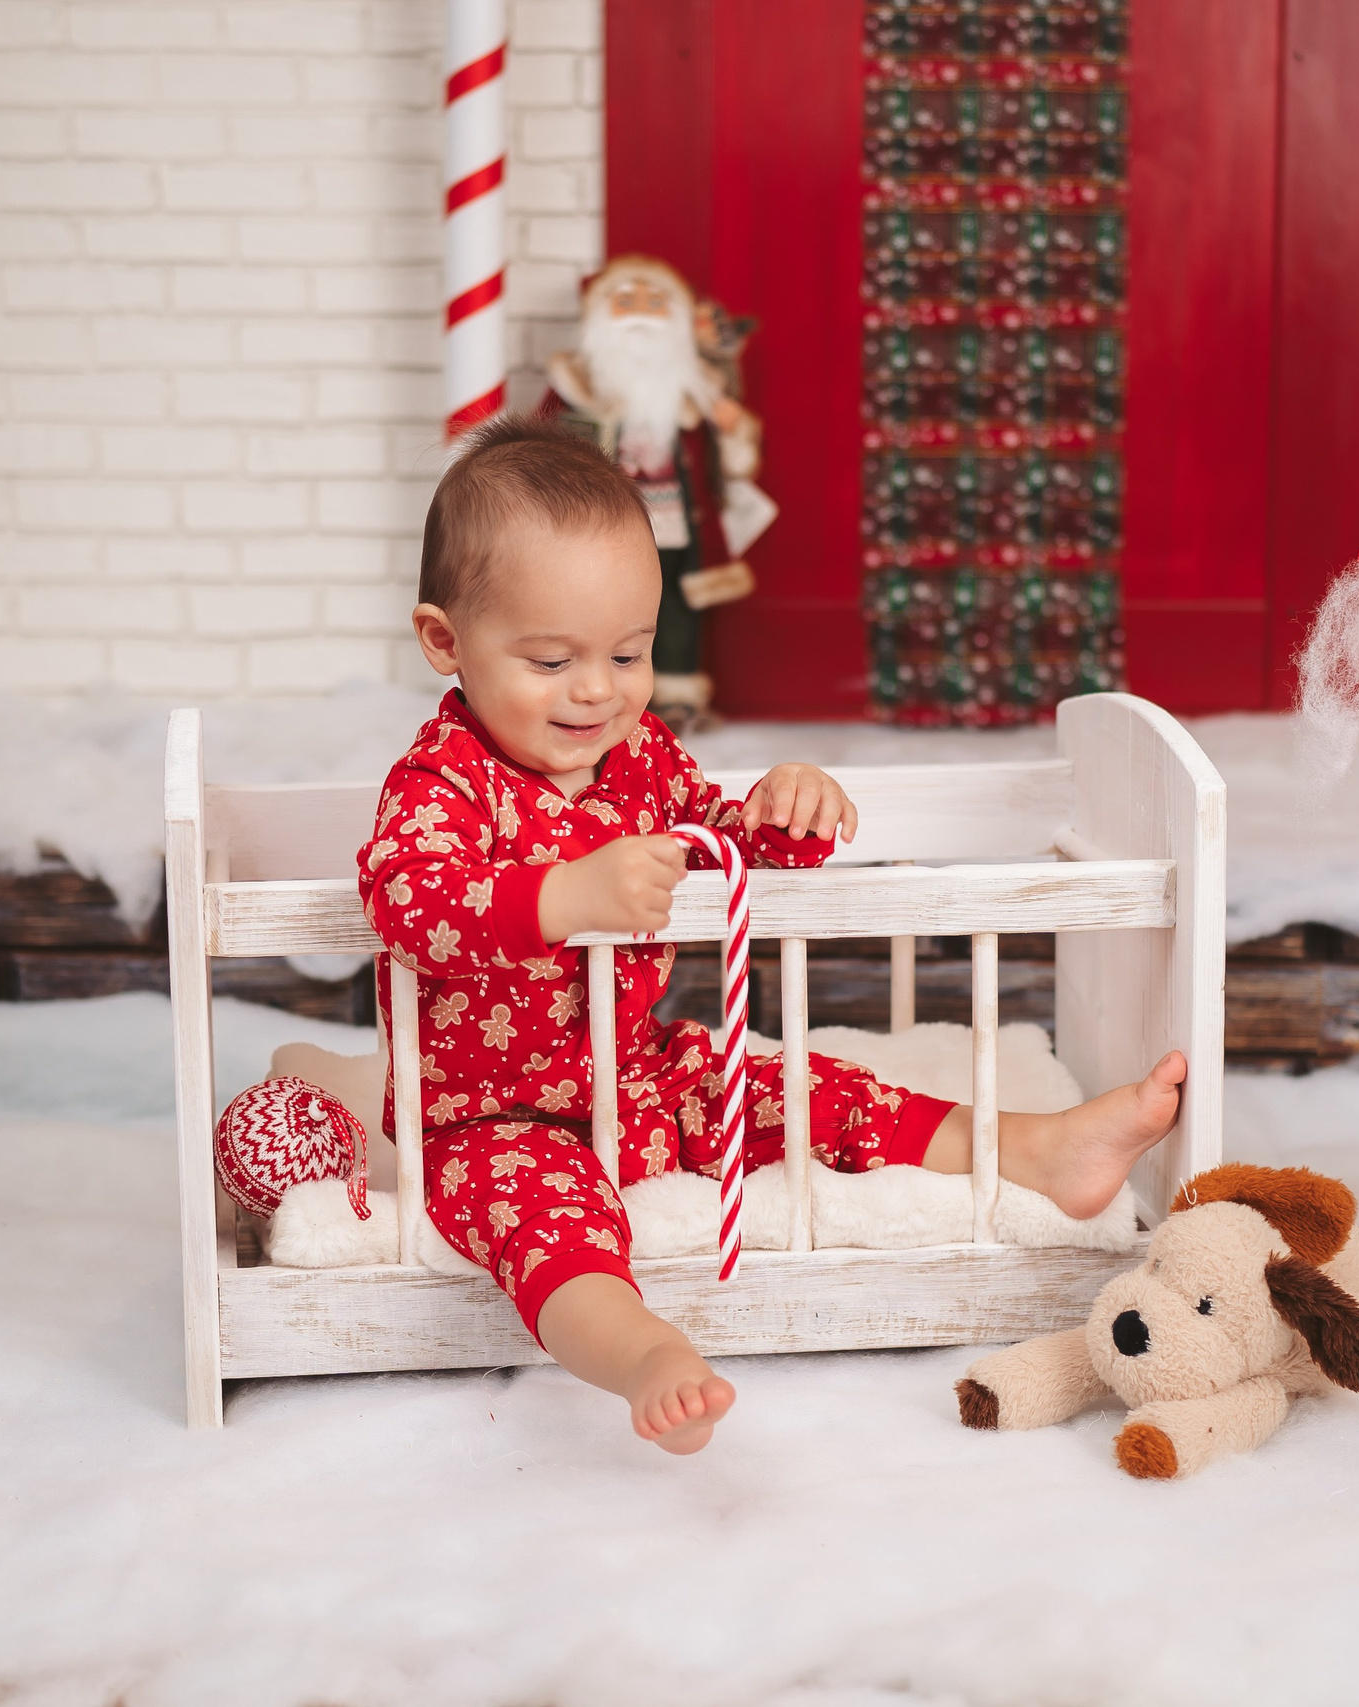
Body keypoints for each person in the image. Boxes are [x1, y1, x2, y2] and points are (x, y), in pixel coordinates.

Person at [215, 415, 1186, 1454]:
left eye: (628, 652)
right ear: (445, 642)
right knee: (550, 1227)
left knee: (804, 1086)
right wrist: (562, 897)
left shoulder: (640, 756)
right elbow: (407, 898)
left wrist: (782, 816)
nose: (597, 688)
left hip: (637, 1073)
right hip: (495, 1120)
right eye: (550, 659)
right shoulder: (442, 783)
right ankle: (641, 1352)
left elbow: (718, 848)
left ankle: (1036, 1149)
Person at [540, 255, 773, 732]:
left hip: (673, 521)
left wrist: (733, 433)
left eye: (655, 303)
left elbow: (728, 465)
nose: (642, 314)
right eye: (626, 302)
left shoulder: (696, 393)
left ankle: (678, 696)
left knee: (677, 609)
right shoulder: (575, 386)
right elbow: (537, 454)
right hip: (603, 526)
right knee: (606, 611)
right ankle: (612, 698)